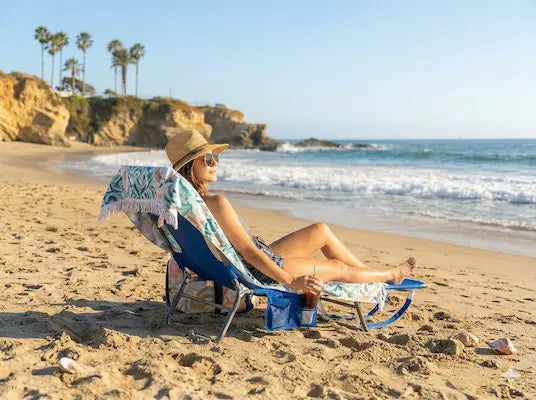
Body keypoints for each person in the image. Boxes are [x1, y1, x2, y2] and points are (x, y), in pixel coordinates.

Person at [165, 130, 416, 296]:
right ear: (189, 167)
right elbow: (249, 252)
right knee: (338, 267)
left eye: (214, 157)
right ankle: (390, 276)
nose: (215, 162)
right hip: (258, 269)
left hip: (252, 260)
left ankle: (367, 275)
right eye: (207, 159)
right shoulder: (216, 203)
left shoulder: (179, 205)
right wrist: (289, 281)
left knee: (320, 230)